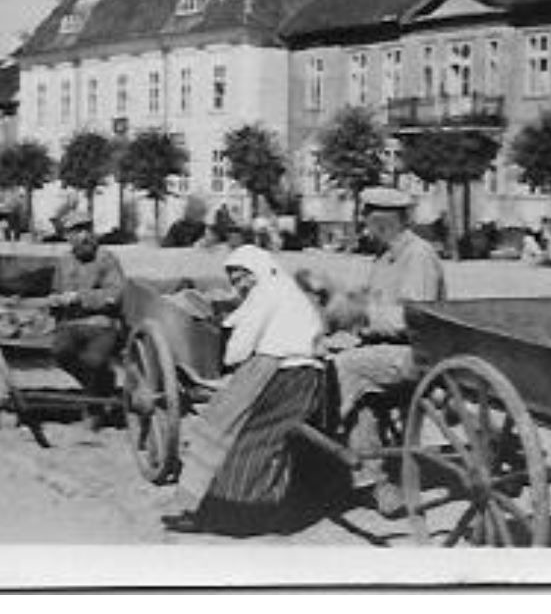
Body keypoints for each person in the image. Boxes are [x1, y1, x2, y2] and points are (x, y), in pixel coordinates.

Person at [162, 245, 325, 535]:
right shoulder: (280, 286)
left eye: (242, 277)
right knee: (235, 434)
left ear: (256, 270)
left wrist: (224, 350)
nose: (239, 284)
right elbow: (241, 317)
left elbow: (236, 351)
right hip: (295, 372)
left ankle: (236, 516)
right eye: (234, 279)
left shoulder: (266, 292)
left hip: (285, 374)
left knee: (236, 437)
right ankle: (213, 511)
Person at [325, 186, 446, 516]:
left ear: (381, 223)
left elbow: (415, 318)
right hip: (394, 350)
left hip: (419, 355)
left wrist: (362, 319)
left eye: (367, 222)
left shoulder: (417, 255)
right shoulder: (386, 256)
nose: (365, 229)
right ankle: (374, 481)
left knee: (344, 368)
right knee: (361, 392)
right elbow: (372, 306)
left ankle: (358, 469)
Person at [47, 211, 126, 425]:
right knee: (60, 353)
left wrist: (80, 298)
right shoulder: (63, 262)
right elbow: (55, 291)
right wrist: (55, 300)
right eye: (77, 231)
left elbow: (115, 294)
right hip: (70, 325)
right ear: (68, 237)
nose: (84, 236)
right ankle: (100, 388)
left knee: (93, 360)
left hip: (102, 324)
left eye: (87, 230)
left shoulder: (106, 258)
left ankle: (94, 405)